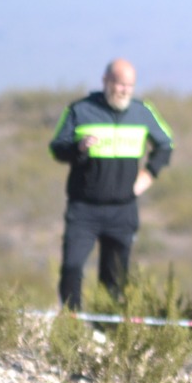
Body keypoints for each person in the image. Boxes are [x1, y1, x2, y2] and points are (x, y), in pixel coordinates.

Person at [50, 59, 173, 310]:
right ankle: (72, 323)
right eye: (119, 84)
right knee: (72, 266)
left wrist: (148, 176)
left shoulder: (142, 111)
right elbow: (57, 148)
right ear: (105, 81)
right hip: (84, 208)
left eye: (130, 85)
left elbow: (166, 145)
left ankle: (105, 331)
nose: (125, 90)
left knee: (115, 277)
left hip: (122, 210)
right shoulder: (80, 110)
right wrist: (79, 148)